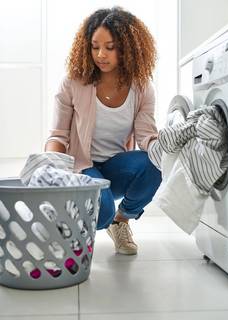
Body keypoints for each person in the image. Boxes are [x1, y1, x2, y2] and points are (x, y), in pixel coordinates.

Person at [45, 6, 162, 255]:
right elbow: (58, 135)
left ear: (127, 48)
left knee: (154, 163)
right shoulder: (73, 82)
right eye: (95, 46)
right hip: (82, 167)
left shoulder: (141, 87)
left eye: (110, 47)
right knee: (101, 214)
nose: (101, 54)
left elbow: (146, 136)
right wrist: (50, 166)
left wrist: (166, 149)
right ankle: (70, 228)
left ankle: (122, 222)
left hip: (116, 166)